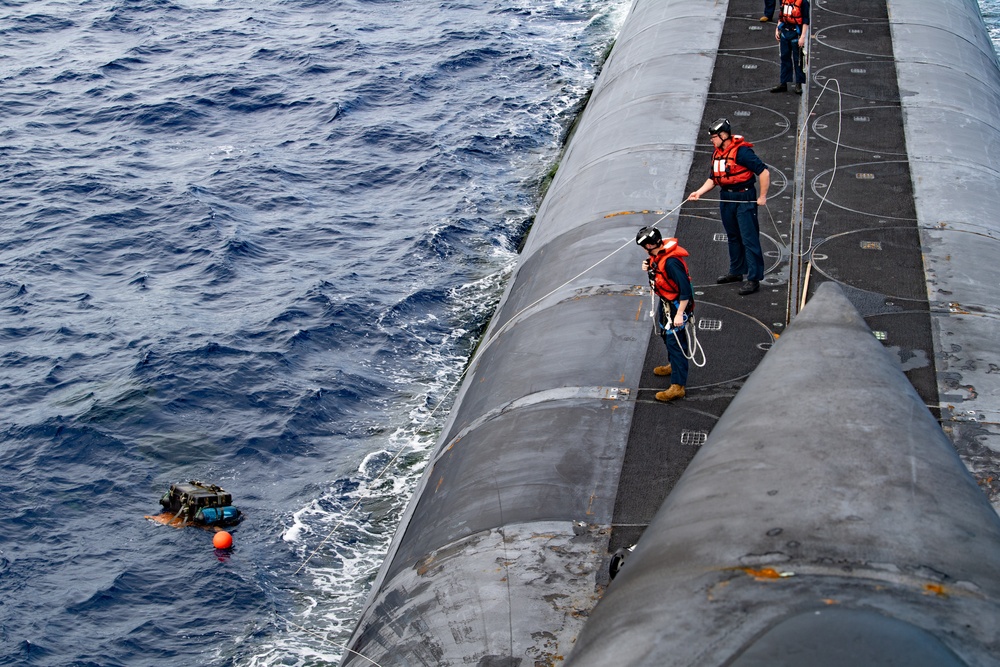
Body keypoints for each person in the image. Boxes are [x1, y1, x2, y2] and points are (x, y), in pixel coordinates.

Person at [688, 118, 770, 296]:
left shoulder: (742, 152)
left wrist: (762, 196)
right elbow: (713, 178)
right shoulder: (717, 153)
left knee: (749, 238)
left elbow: (763, 171)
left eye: (714, 137)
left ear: (723, 135)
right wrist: (699, 192)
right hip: (726, 197)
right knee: (733, 236)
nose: (711, 140)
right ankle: (736, 271)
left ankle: (754, 278)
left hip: (744, 196)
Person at [636, 226, 694, 402]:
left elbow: (685, 290)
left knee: (676, 342)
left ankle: (678, 386)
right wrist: (648, 265)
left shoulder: (671, 263)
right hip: (666, 303)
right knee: (664, 334)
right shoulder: (658, 256)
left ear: (652, 244)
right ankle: (673, 365)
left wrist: (680, 314)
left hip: (677, 305)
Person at [770, 0, 810, 94]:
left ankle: (798, 84)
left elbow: (805, 20)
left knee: (798, 60)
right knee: (784, 58)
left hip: (796, 35)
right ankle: (783, 83)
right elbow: (781, 16)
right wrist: (777, 29)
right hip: (785, 33)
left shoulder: (803, 2)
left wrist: (803, 36)